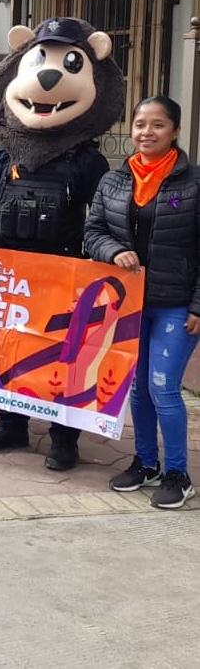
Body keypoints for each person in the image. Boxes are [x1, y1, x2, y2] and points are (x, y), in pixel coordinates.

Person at [0, 17, 120, 471]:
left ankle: (63, 437)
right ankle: (10, 425)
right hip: (10, 272)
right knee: (9, 349)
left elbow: (103, 218)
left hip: (64, 272)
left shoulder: (88, 161)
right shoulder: (4, 156)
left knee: (64, 355)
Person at [84, 97, 200, 509]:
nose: (147, 132)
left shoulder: (193, 183)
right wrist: (113, 251)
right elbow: (92, 232)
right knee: (137, 389)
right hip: (130, 305)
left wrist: (197, 307)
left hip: (175, 304)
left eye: (158, 125)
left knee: (163, 387)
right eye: (139, 124)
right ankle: (146, 463)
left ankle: (178, 474)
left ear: (175, 131)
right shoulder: (114, 182)